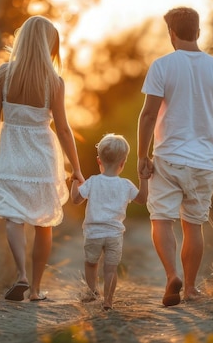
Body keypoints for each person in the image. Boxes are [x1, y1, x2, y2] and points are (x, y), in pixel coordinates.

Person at [137, 7, 213, 306]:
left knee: (161, 220)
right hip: (204, 161)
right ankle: (191, 287)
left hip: (167, 157)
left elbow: (148, 115)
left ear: (171, 33)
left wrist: (142, 155)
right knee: (193, 225)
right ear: (198, 32)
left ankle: (172, 276)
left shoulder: (162, 66)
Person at [0, 15, 85, 302]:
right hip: (42, 155)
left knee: (13, 216)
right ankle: (38, 289)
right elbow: (64, 129)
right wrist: (76, 168)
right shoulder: (54, 81)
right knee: (44, 223)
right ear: (48, 45)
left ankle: (21, 276)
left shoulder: (4, 73)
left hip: (12, 153)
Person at [70, 133, 148, 310]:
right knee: (111, 269)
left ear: (99, 161)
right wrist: (144, 179)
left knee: (91, 264)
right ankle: (108, 301)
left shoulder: (92, 182)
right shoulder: (126, 185)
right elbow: (143, 199)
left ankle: (91, 292)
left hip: (93, 234)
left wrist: (75, 181)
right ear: (122, 163)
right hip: (114, 234)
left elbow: (75, 199)